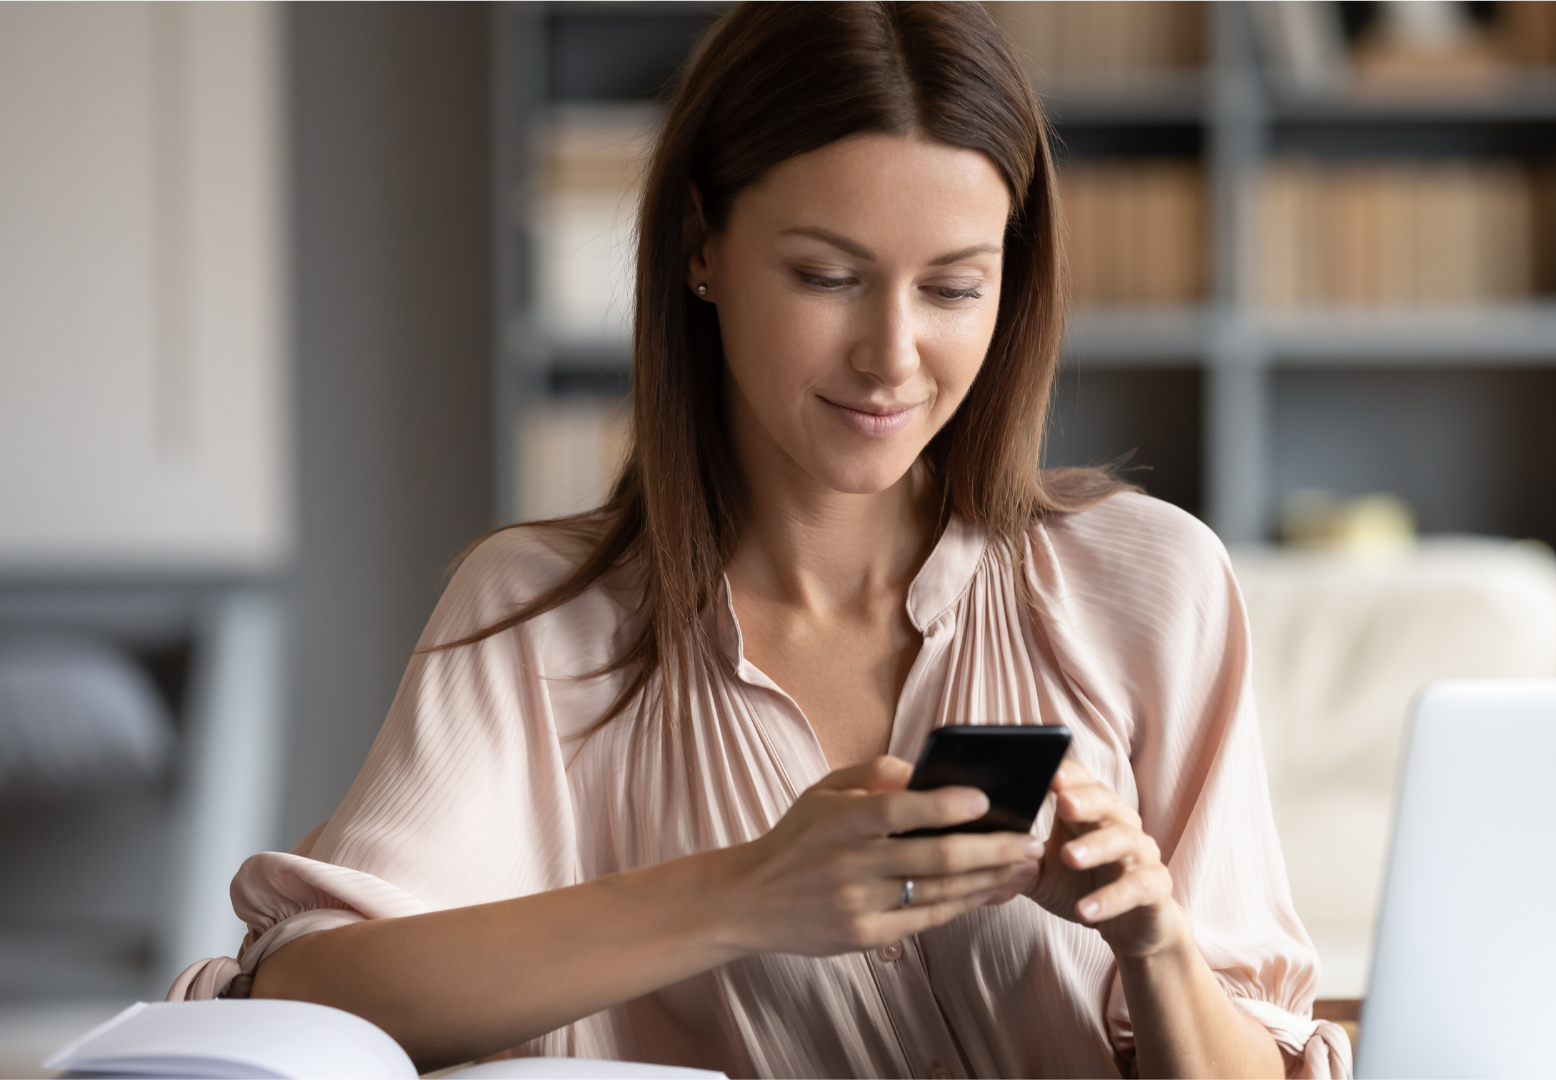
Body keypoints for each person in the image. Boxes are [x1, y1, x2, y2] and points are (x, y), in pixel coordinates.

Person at [169, 3, 1350, 1077]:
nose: (892, 356)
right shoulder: (539, 617)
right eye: (828, 277)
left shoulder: (1151, 584)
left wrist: (1154, 940)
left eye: (953, 289)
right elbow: (306, 995)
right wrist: (746, 894)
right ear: (700, 248)